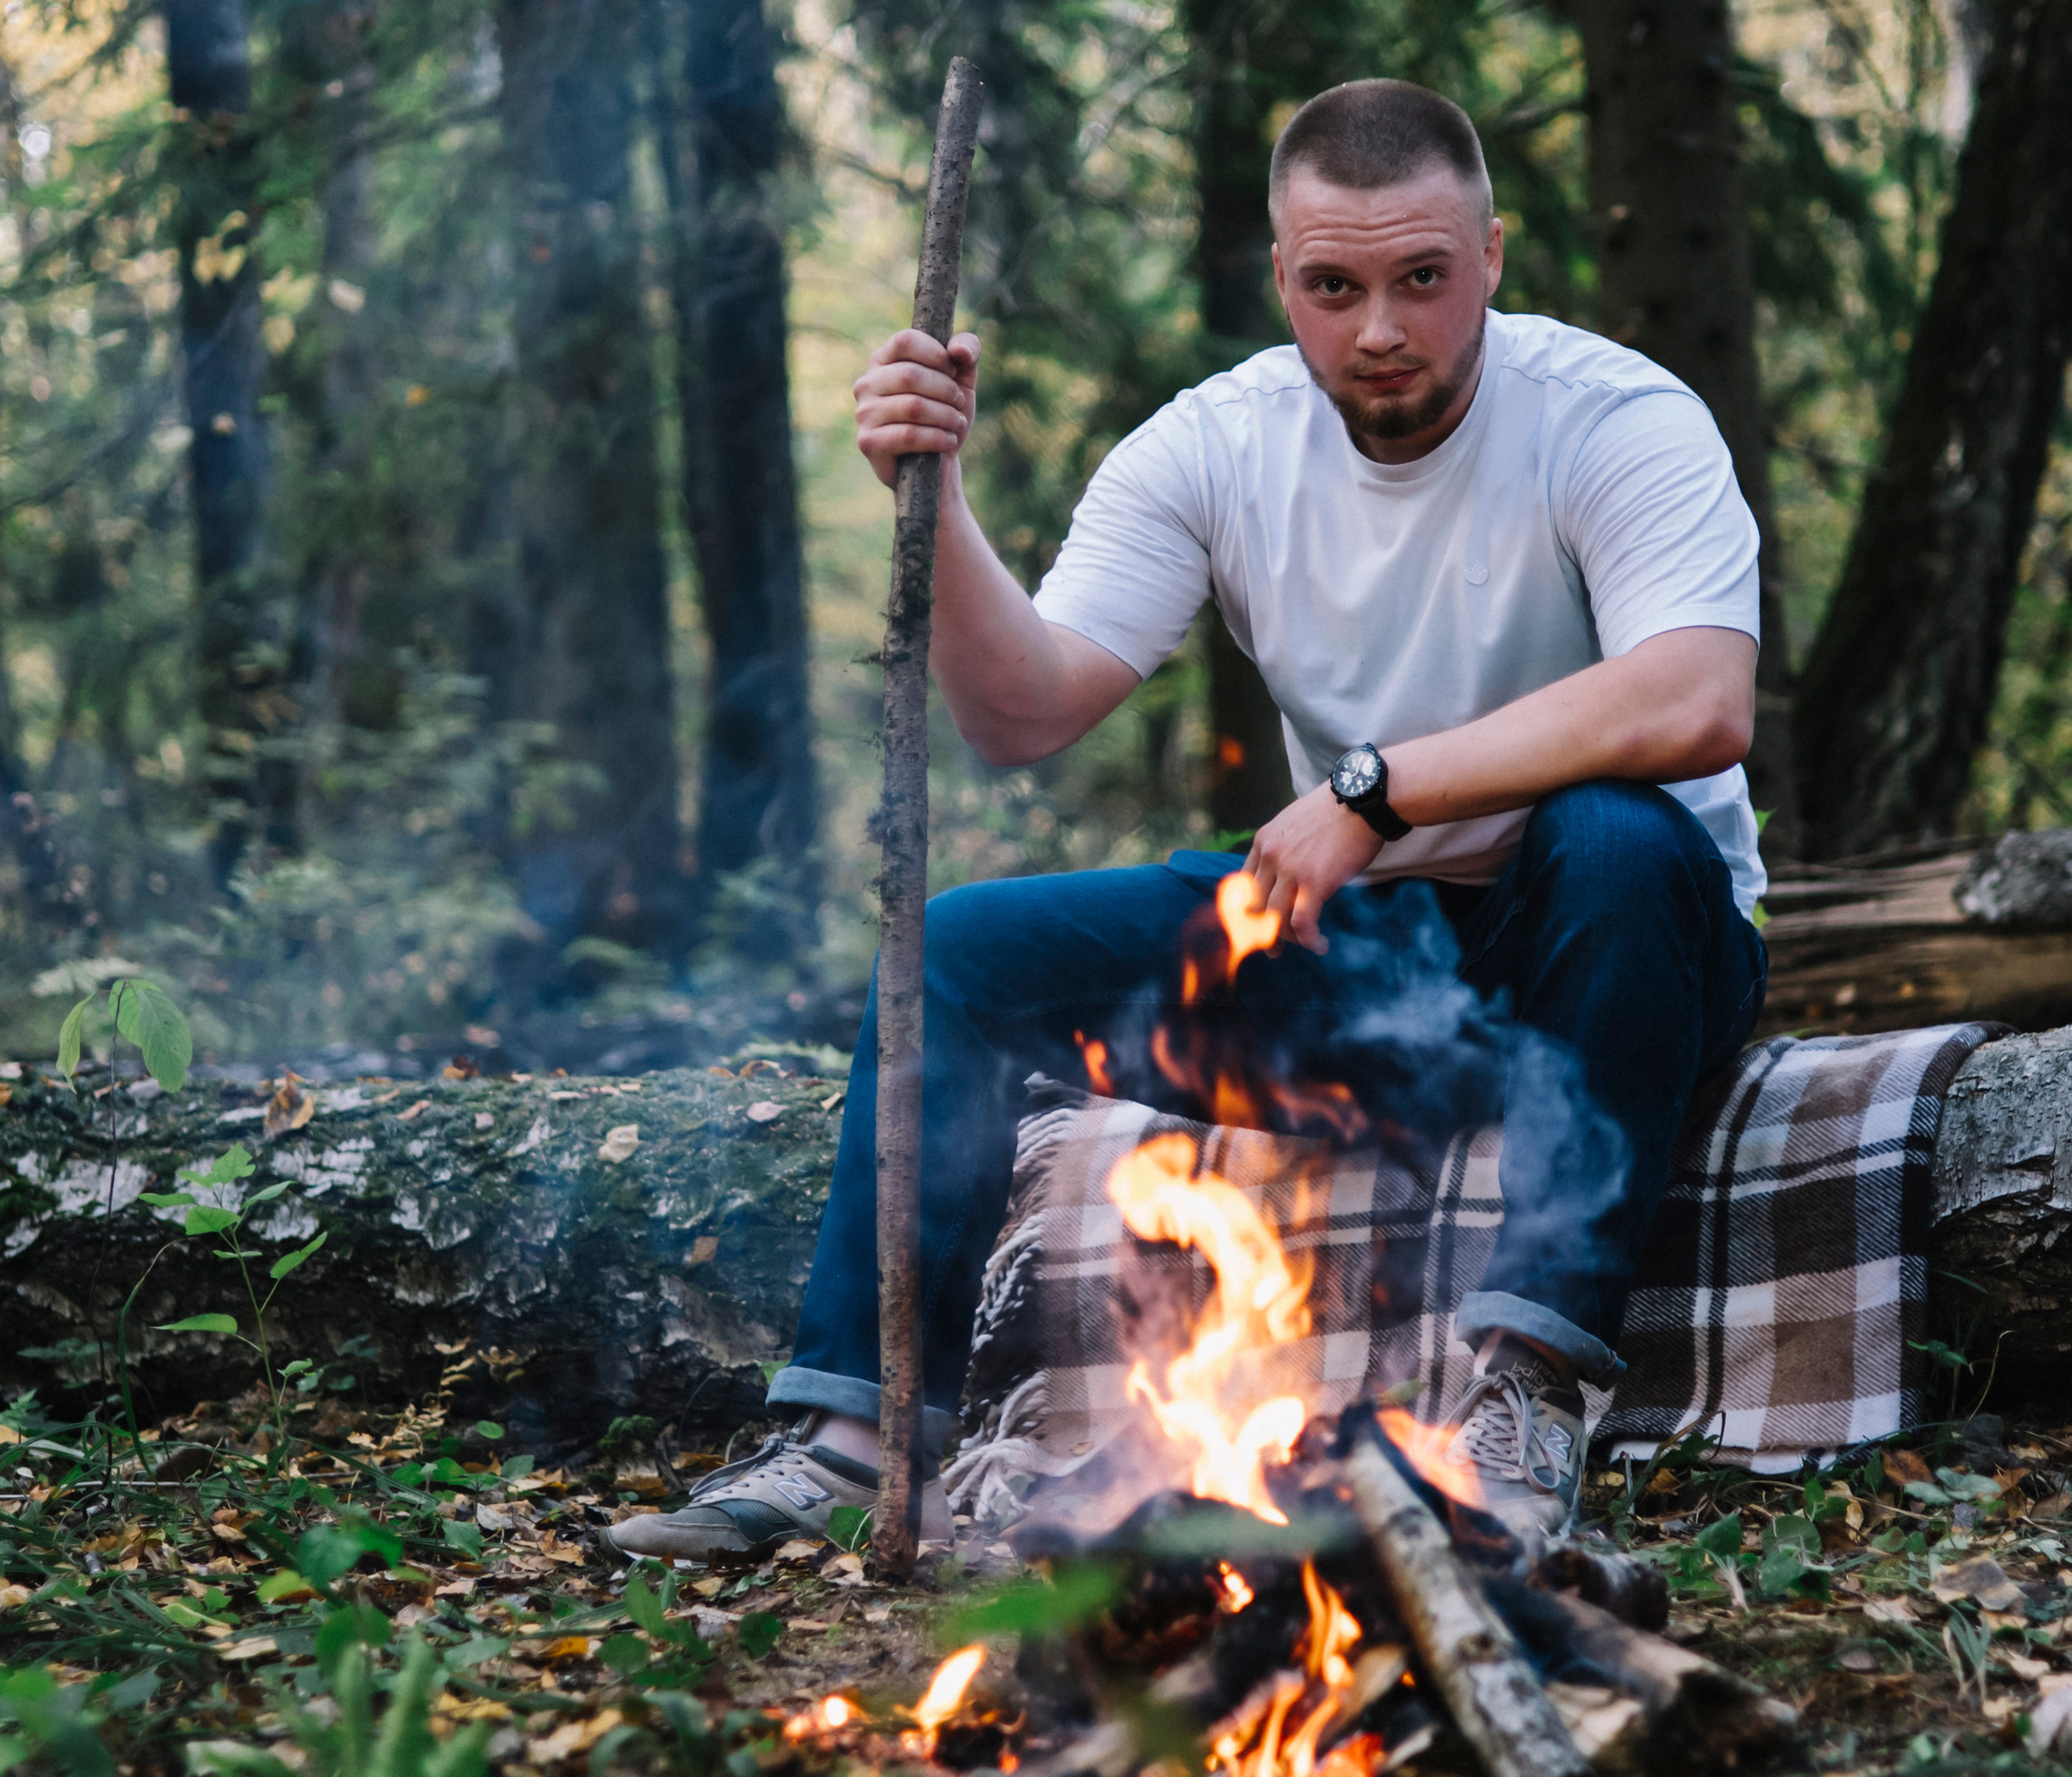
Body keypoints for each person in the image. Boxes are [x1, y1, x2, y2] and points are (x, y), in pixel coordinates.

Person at [611, 79, 1767, 1566]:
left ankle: (1529, 1397)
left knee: (1613, 829)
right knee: (959, 950)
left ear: (1492, 256)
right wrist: (935, 491)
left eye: (1423, 278)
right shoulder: (1215, 446)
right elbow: (1021, 713)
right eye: (1334, 288)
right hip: (1371, 970)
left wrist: (1374, 789)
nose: (1382, 331)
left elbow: (1698, 700)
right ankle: (854, 1438)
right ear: (1281, 280)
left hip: (1622, 958)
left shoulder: (1614, 417)